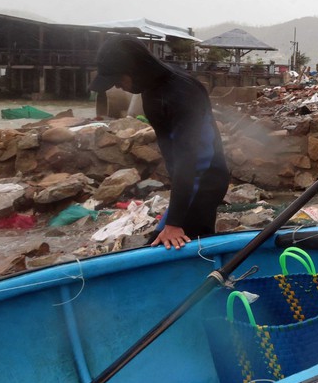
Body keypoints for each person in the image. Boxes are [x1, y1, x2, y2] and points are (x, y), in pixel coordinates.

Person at [90, 35, 230, 250]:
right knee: (160, 244)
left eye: (118, 79)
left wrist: (174, 222)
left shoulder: (181, 93)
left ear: (135, 68)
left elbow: (188, 157)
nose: (117, 86)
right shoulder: (152, 89)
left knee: (180, 250)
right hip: (189, 181)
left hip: (204, 181)